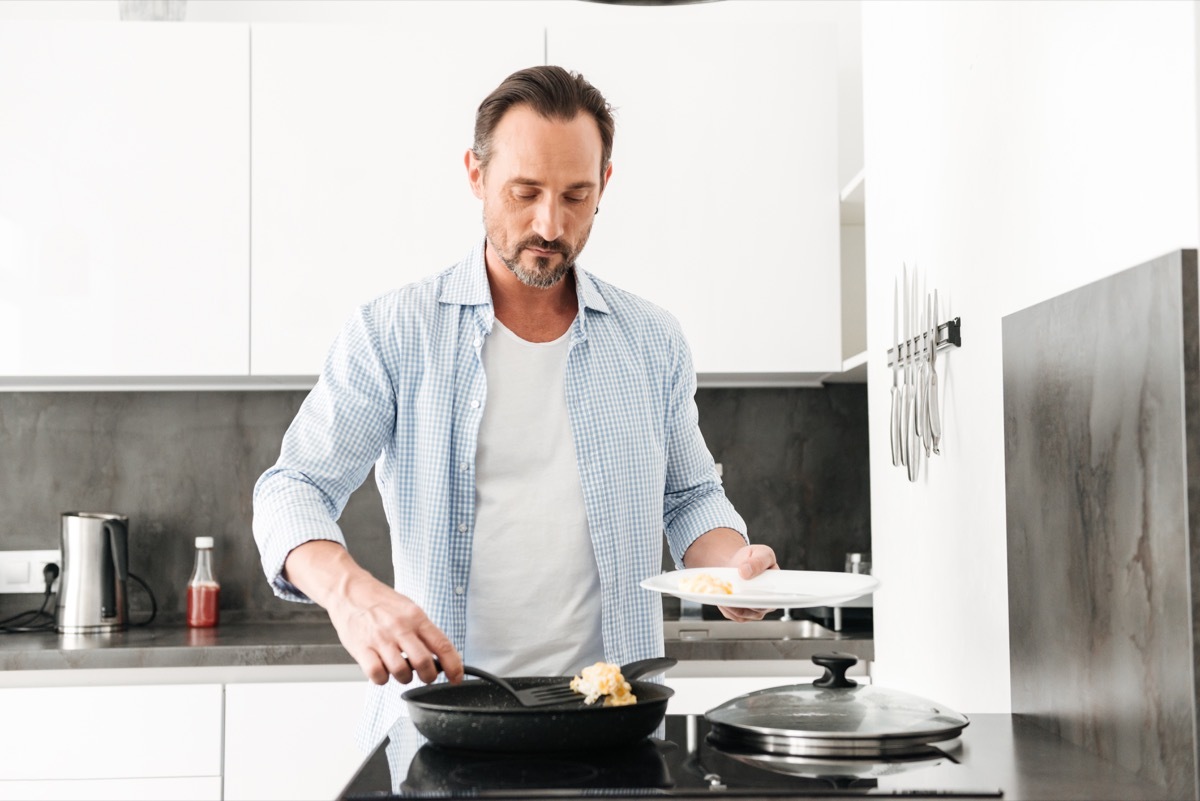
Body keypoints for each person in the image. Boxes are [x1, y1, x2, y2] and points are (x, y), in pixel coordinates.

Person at [252, 65, 778, 749]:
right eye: (524, 192)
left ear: (605, 188)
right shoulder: (394, 331)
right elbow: (292, 487)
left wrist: (732, 562)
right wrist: (352, 595)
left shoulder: (652, 339)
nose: (549, 224)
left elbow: (689, 496)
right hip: (442, 725)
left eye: (575, 196)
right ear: (475, 174)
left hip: (611, 722)